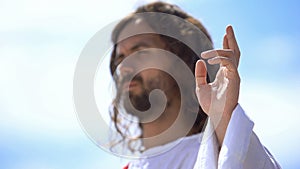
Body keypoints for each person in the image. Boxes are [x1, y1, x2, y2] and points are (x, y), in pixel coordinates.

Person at [108, 2, 281, 169]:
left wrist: (223, 117)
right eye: (120, 57)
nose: (124, 66)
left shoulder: (220, 155)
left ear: (182, 60)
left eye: (140, 52)